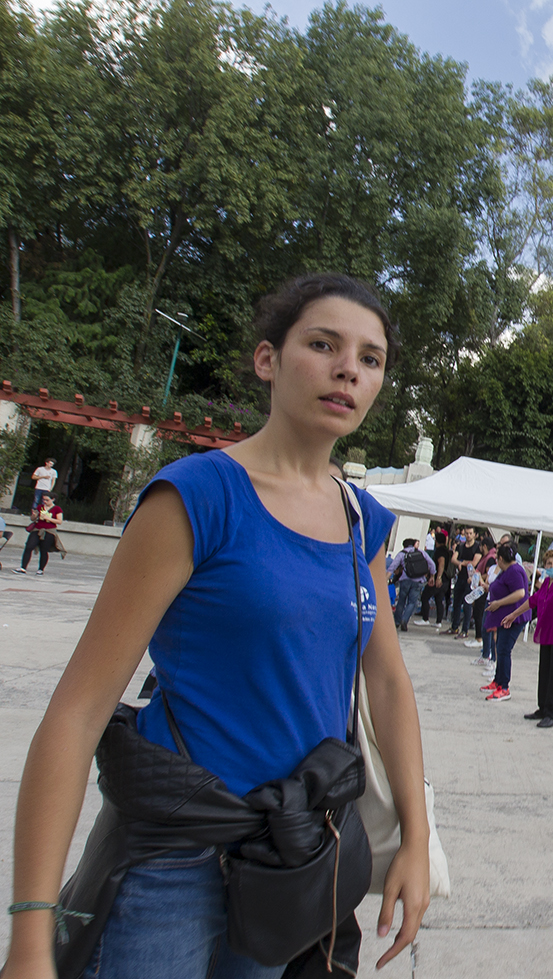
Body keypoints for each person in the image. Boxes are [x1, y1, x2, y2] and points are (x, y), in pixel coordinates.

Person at [2, 273, 430, 979]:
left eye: (370, 357)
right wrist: (28, 934)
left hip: (291, 853)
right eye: (323, 344)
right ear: (268, 359)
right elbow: (78, 710)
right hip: (175, 857)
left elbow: (386, 680)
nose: (348, 368)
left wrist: (414, 836)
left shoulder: (365, 522)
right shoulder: (196, 496)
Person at [501, 548, 553, 727]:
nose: (552, 566)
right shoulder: (546, 583)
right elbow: (532, 600)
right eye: (549, 564)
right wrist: (513, 614)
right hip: (547, 630)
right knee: (545, 669)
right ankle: (543, 708)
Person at [480, 542, 530, 701]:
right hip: (505, 617)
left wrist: (499, 603)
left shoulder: (515, 570)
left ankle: (504, 687)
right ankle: (498, 680)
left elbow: (520, 593)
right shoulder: (507, 570)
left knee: (503, 650)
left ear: (501, 558)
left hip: (514, 617)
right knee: (499, 647)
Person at [441, 526, 479, 639]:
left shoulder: (477, 547)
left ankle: (465, 630)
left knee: (467, 605)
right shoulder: (460, 546)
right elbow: (453, 559)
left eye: (470, 533)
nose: (468, 535)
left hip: (470, 580)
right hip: (461, 578)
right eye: (466, 533)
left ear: (474, 534)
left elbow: (474, 563)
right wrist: (463, 562)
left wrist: (461, 563)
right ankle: (454, 626)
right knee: (456, 603)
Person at [387, 537, 431, 631]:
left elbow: (392, 566)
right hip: (418, 581)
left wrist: (386, 578)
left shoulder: (402, 554)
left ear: (404, 545)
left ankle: (397, 621)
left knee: (401, 601)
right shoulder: (421, 553)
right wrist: (433, 576)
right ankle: (405, 620)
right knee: (412, 602)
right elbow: (432, 564)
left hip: (405, 580)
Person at [13, 494, 62, 576]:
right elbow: (33, 518)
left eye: (47, 500)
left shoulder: (57, 509)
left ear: (53, 499)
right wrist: (34, 515)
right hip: (37, 529)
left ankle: (41, 569)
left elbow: (59, 521)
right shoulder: (40, 507)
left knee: (44, 550)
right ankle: (23, 567)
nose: (45, 502)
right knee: (29, 546)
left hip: (49, 531)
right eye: (44, 500)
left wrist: (48, 518)